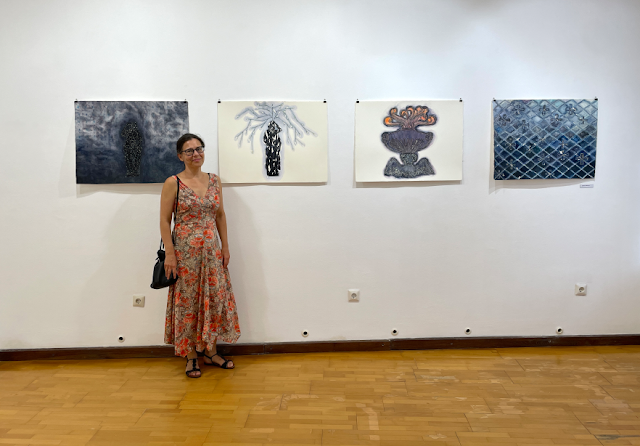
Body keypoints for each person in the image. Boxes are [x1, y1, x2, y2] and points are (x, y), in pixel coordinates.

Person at [160, 133, 241, 378]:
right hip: (185, 253)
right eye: (189, 151)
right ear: (180, 156)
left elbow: (220, 215)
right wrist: (170, 254)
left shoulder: (214, 180)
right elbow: (164, 220)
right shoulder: (173, 182)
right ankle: (190, 356)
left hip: (211, 252)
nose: (196, 154)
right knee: (187, 303)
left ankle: (210, 351)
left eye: (199, 149)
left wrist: (225, 247)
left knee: (213, 299)